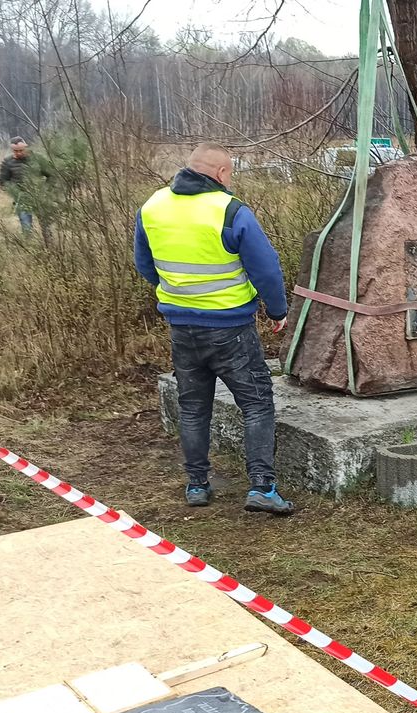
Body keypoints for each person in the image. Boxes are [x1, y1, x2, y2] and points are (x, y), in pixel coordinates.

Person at [134, 142, 294, 515]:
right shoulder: (229, 210)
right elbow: (266, 267)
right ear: (221, 173)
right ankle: (262, 488)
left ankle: (197, 485)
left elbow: (144, 263)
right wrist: (277, 310)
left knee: (192, 407)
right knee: (256, 404)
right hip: (231, 329)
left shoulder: (152, 206)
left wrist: (175, 293)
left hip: (181, 326)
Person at [0, 137, 53, 235]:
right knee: (26, 228)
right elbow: (3, 181)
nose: (18, 153)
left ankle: (50, 247)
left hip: (39, 196)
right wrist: (15, 193)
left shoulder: (37, 158)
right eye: (15, 151)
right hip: (21, 199)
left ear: (26, 147)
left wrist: (46, 190)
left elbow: (51, 175)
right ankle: (30, 246)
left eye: (21, 150)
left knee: (46, 228)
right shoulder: (8, 162)